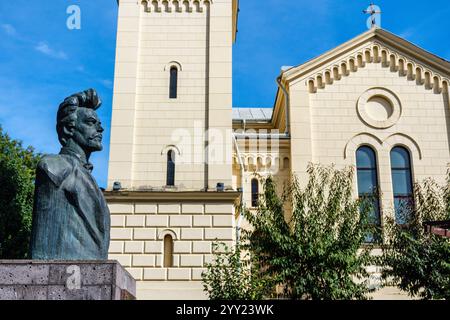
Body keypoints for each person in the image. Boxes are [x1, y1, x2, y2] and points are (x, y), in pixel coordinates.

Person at [30, 88, 110, 260]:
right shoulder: (55, 166)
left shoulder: (89, 178)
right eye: (91, 122)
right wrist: (75, 100)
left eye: (99, 123)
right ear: (68, 129)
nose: (101, 129)